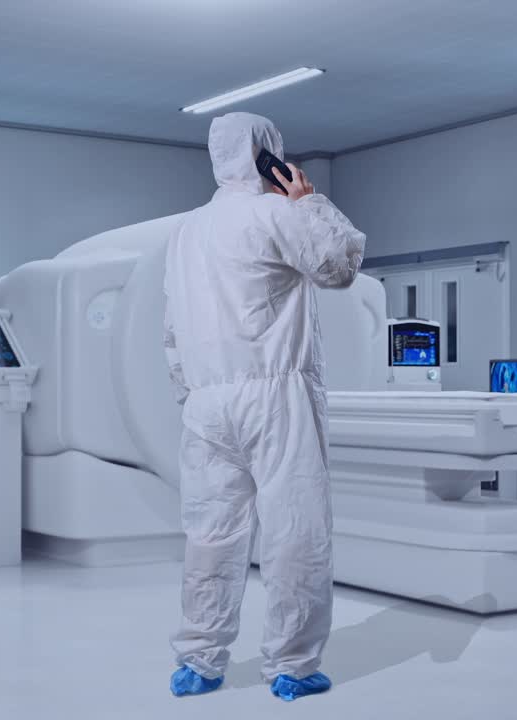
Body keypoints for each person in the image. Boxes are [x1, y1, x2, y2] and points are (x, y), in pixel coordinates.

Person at [162, 112, 366, 701]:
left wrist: (191, 390)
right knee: (294, 530)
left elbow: (172, 327)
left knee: (210, 533)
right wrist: (308, 202)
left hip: (204, 402)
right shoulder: (276, 212)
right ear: (266, 153)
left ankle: (199, 662)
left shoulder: (187, 230)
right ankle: (292, 667)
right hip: (275, 396)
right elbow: (338, 266)